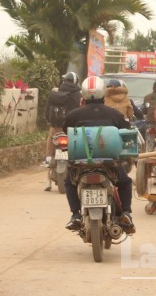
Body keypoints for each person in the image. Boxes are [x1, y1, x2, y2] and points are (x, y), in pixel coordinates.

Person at [62, 76, 135, 234]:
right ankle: (126, 213)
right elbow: (126, 131)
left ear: (84, 94)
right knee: (125, 182)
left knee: (69, 182)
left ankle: (75, 215)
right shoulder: (114, 114)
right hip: (108, 163)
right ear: (103, 93)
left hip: (80, 163)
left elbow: (65, 132)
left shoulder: (74, 115)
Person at [43, 72, 81, 168]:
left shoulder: (55, 94)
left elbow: (47, 113)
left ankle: (48, 158)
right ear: (76, 82)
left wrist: (52, 123)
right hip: (72, 129)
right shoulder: (79, 95)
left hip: (56, 127)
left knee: (51, 137)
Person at [143, 81, 156, 152]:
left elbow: (145, 110)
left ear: (153, 88)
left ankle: (149, 153)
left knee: (149, 142)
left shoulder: (146, 97)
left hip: (150, 122)